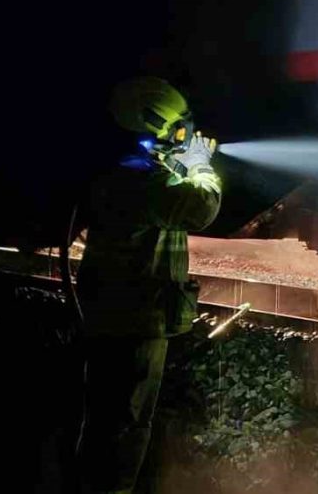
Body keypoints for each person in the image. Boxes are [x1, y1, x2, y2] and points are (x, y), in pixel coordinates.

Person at [75, 77, 221, 493]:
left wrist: (178, 162)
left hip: (113, 314)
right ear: (151, 125)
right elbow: (201, 208)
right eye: (176, 129)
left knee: (103, 418)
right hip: (136, 319)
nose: (182, 136)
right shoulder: (139, 183)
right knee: (126, 423)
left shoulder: (122, 174)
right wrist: (200, 164)